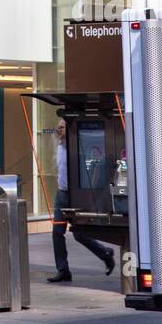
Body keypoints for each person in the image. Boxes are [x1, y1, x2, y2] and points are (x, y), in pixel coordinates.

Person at [49, 117, 115, 283]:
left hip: (74, 196)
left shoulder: (75, 148)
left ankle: (105, 253)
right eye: (58, 127)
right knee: (57, 232)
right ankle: (63, 270)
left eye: (62, 127)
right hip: (61, 194)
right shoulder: (59, 147)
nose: (59, 130)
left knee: (79, 233)